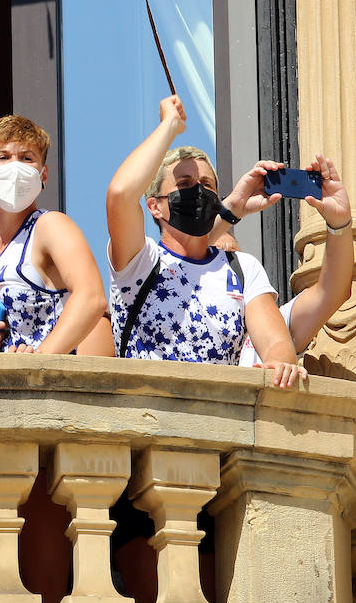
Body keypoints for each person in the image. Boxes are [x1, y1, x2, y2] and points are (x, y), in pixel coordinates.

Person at [104, 95, 305, 387]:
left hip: (219, 422)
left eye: (206, 185)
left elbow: (277, 344)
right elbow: (120, 194)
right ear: (155, 206)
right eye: (184, 184)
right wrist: (169, 126)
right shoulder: (140, 260)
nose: (197, 191)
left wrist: (279, 364)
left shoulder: (241, 268)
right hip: (147, 419)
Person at [0, 115, 107, 354]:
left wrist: (37, 362)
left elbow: (91, 298)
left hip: (42, 388)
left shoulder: (50, 226)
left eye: (27, 158)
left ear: (43, 176)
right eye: (3, 157)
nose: (15, 166)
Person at [209, 155, 354, 366]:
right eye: (213, 256)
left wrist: (339, 224)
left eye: (230, 255)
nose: (225, 263)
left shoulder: (269, 329)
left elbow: (331, 292)